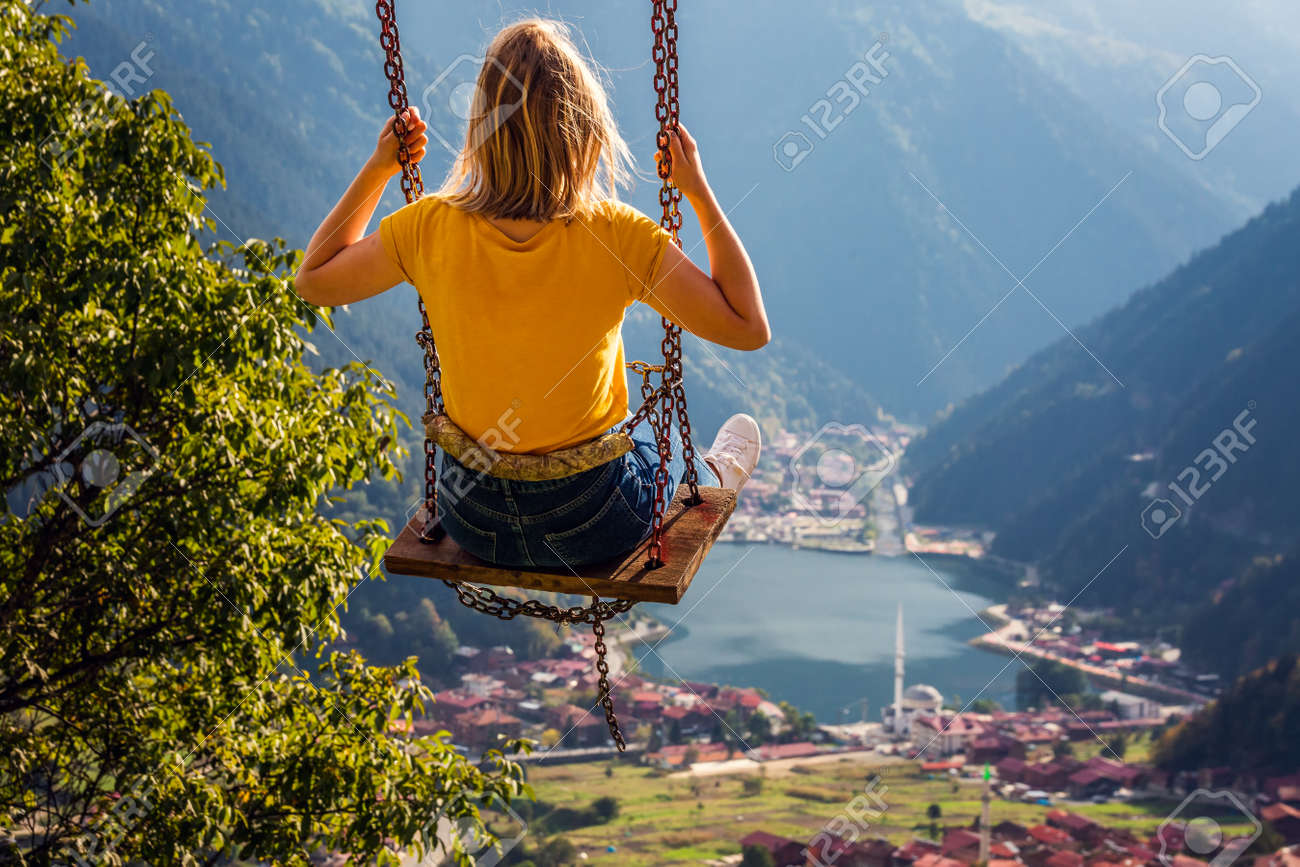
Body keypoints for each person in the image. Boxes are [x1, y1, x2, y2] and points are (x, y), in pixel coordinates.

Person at [295, 19, 769, 569]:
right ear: (586, 132)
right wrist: (698, 191)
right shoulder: (618, 235)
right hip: (594, 519)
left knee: (629, 447)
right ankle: (712, 473)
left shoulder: (426, 227)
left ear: (480, 130)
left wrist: (380, 168)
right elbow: (747, 328)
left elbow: (314, 280)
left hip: (474, 519)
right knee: (659, 453)